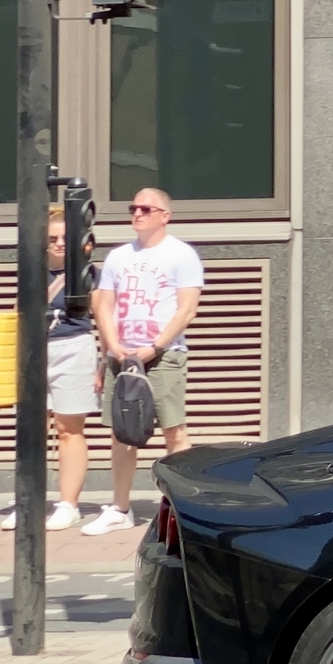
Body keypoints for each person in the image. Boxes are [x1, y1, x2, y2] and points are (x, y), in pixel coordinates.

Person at [85, 188, 201, 535]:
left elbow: (186, 309)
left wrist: (155, 347)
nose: (138, 213)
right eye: (133, 207)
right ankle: (120, 508)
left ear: (165, 215)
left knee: (173, 430)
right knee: (122, 433)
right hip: (122, 357)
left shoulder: (182, 255)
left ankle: (185, 509)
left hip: (164, 356)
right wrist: (113, 349)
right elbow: (103, 306)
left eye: (146, 208)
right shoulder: (119, 257)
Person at [1, 210, 100, 533]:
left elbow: (102, 315)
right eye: (52, 239)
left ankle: (68, 504)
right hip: (34, 350)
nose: (59, 244)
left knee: (68, 427)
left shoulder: (87, 273)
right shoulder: (30, 272)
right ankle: (29, 503)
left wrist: (103, 361)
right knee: (33, 428)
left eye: (64, 239)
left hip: (74, 346)